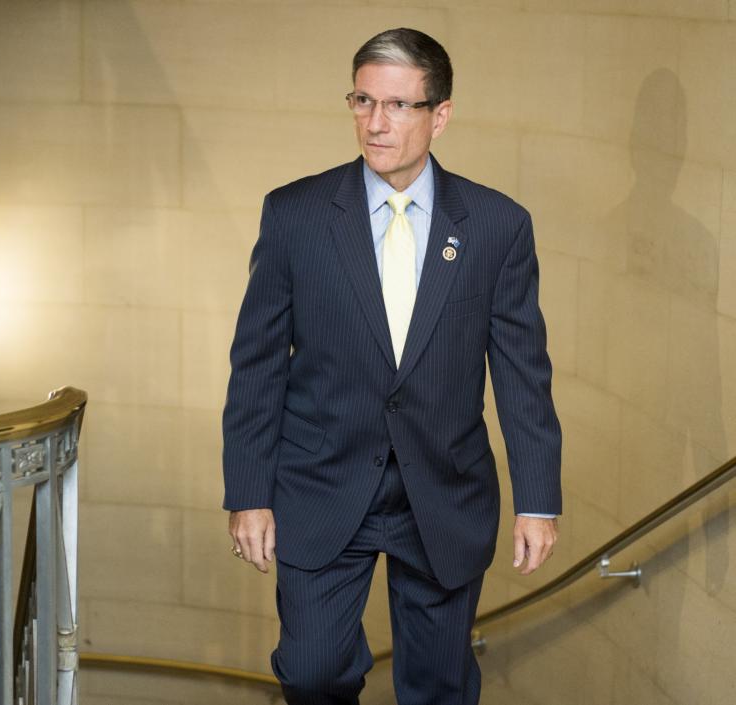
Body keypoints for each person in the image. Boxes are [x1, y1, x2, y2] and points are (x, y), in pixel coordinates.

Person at [222, 27, 561, 705]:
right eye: (363, 101)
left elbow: (522, 372)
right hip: (320, 482)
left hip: (444, 490)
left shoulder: (497, 226)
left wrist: (536, 498)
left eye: (399, 106)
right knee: (312, 672)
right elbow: (256, 364)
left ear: (440, 114)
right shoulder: (293, 215)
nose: (376, 124)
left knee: (438, 685)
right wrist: (248, 490)